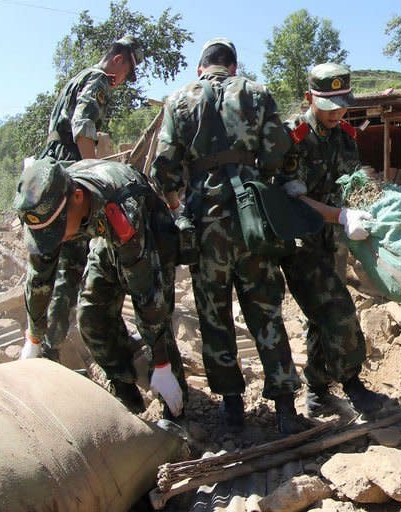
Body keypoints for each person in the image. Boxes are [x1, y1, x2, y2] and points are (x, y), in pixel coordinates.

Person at [151, 38, 305, 435]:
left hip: (206, 221)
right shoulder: (255, 92)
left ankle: (232, 407)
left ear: (200, 68)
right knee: (266, 308)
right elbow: (278, 150)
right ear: (233, 66)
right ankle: (286, 408)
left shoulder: (179, 99)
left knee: (214, 315)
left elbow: (164, 166)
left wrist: (178, 199)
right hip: (253, 217)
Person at [16, 158, 186, 419]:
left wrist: (161, 363)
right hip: (102, 235)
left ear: (77, 198)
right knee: (92, 316)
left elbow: (146, 293)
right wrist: (34, 338)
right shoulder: (49, 211)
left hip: (149, 233)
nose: (55, 238)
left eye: (58, 229)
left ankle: (175, 407)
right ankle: (126, 392)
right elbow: (39, 279)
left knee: (156, 319)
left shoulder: (120, 208)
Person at [280, 63, 386, 417]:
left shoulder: (345, 136)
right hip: (302, 239)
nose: (337, 112)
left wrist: (365, 206)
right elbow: (291, 197)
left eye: (342, 105)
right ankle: (352, 383)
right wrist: (339, 215)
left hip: (335, 239)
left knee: (320, 314)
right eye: (328, 105)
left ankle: (317, 388)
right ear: (310, 98)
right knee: (338, 310)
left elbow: (354, 183)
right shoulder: (292, 137)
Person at [32, 35, 143, 362]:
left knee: (45, 267)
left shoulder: (77, 77)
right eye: (126, 73)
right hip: (69, 178)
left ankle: (39, 341)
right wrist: (93, 174)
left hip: (47, 175)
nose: (122, 81)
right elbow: (83, 129)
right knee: (71, 267)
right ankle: (51, 352)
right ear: (120, 60)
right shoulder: (97, 80)